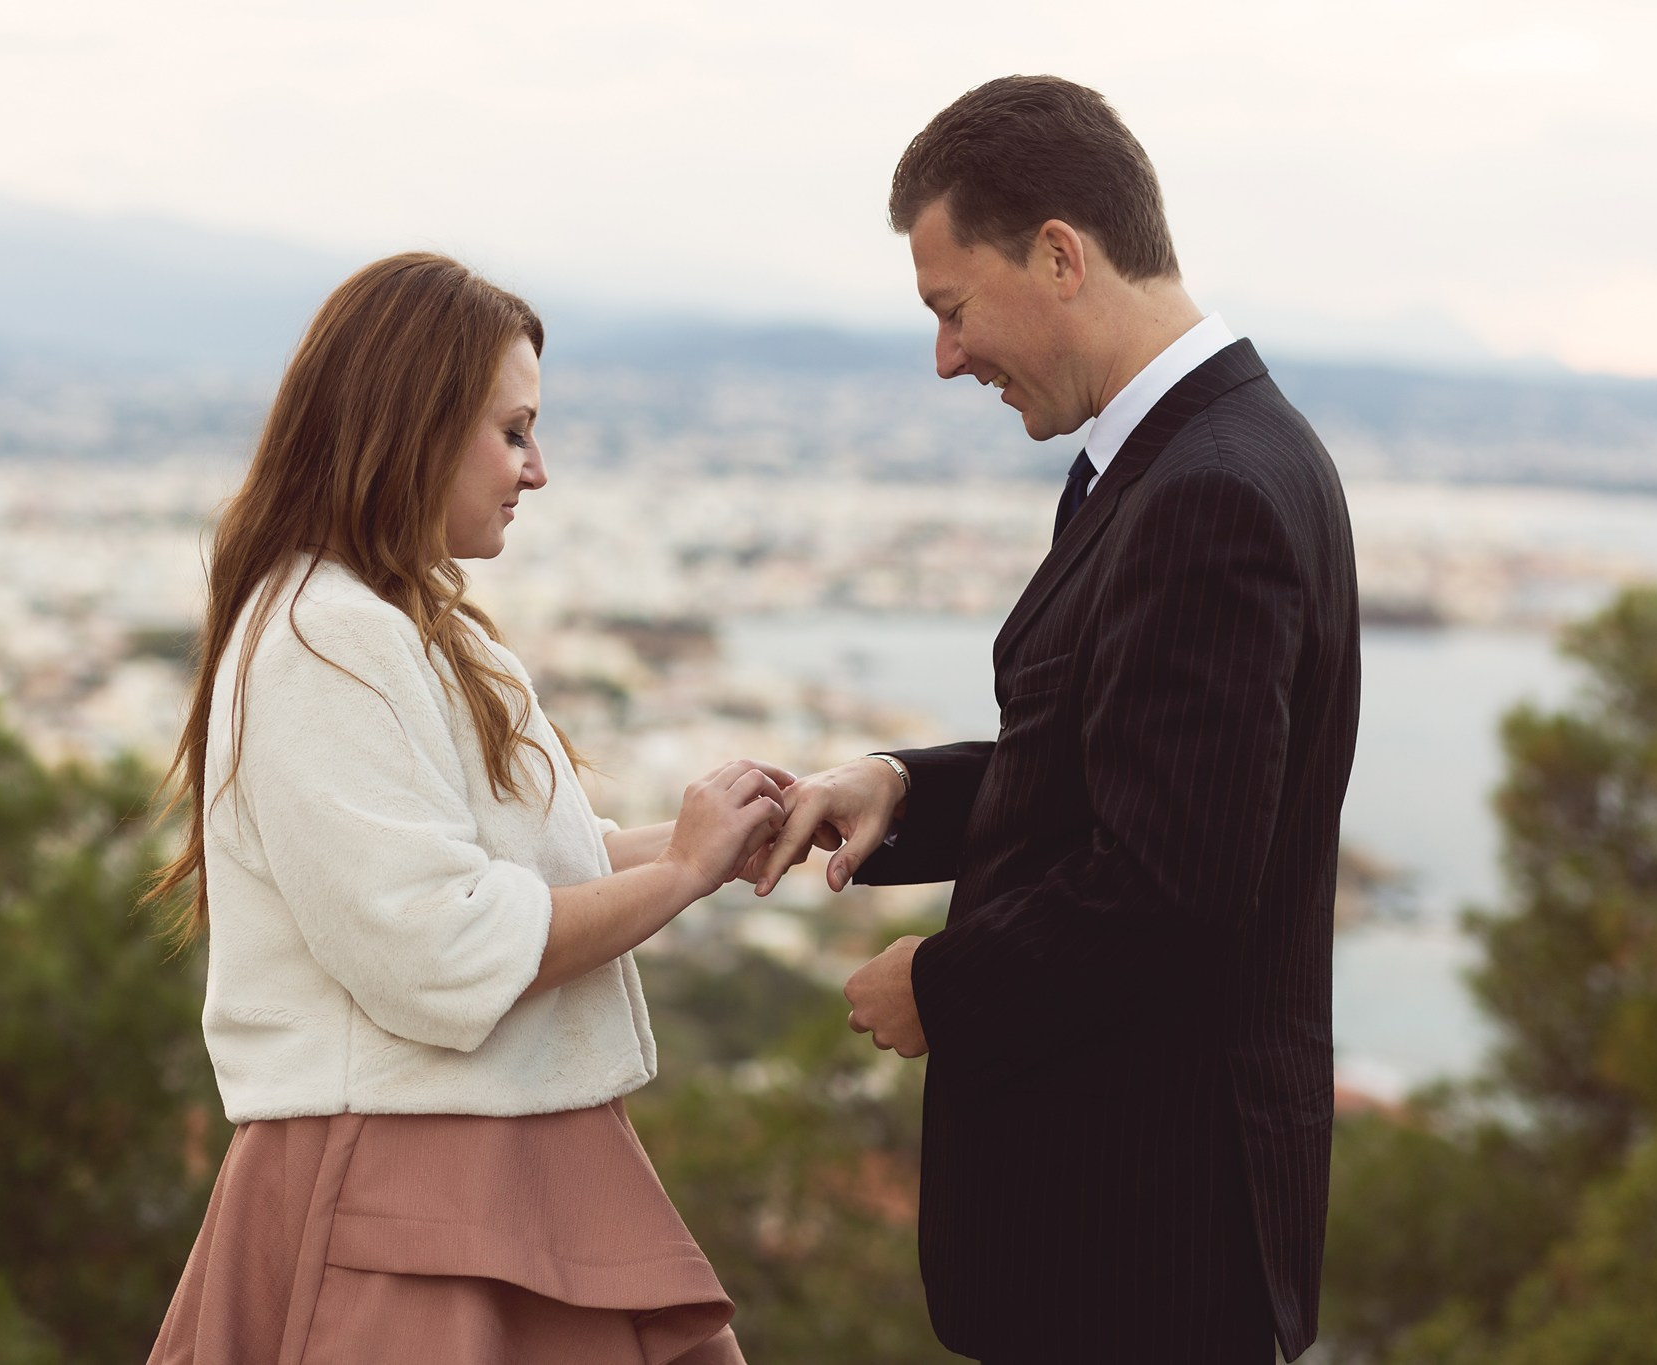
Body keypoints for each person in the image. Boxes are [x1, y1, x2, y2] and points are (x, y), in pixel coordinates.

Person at [756, 77, 1361, 1363]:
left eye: (951, 308)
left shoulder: (1209, 490)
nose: (946, 357)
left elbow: (1169, 884)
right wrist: (900, 789)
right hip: (1132, 1242)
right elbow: (1118, 771)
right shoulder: (1194, 458)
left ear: (1060, 254)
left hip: (1137, 1246)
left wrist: (940, 985)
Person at [144, 252, 778, 1364]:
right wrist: (676, 875)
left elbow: (519, 878)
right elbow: (438, 948)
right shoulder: (322, 639)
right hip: (412, 1193)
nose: (535, 470)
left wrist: (708, 846)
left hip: (482, 1170)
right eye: (514, 430)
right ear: (413, 427)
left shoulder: (411, 626)